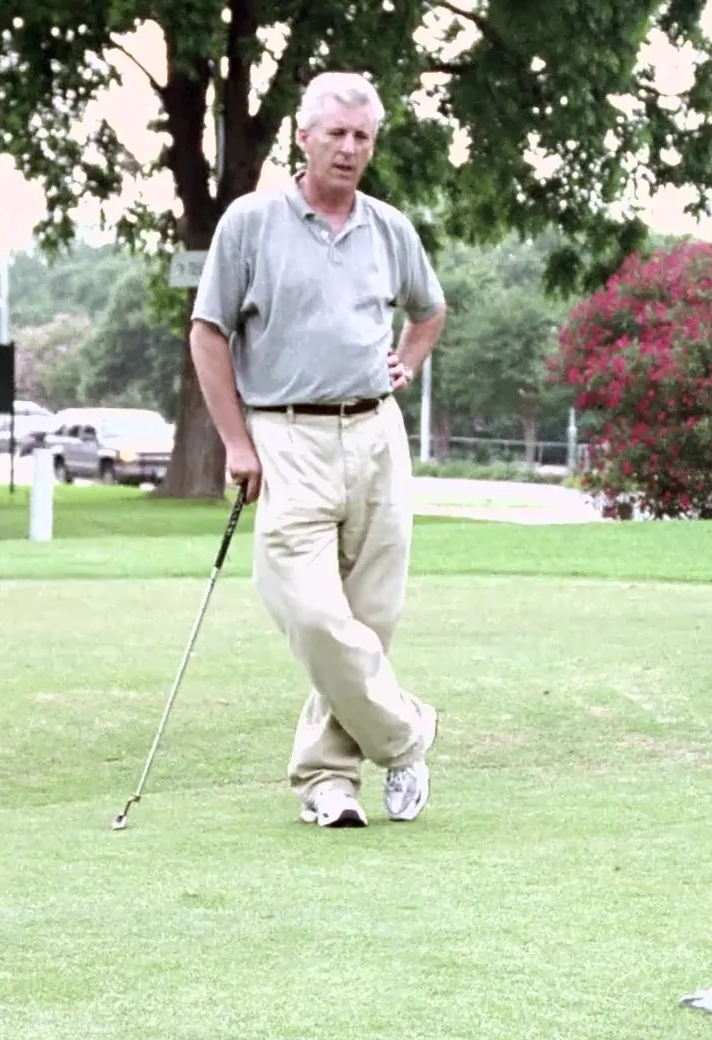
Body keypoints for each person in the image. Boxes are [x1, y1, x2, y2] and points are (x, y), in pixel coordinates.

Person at [186, 70, 447, 830]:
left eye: (363, 136)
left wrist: (411, 360)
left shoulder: (389, 227)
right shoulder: (250, 221)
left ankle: (329, 780)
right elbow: (209, 332)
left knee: (371, 617)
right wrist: (237, 443)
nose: (350, 148)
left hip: (374, 433)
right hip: (285, 433)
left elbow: (428, 311)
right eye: (335, 132)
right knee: (310, 613)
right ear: (302, 138)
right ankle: (407, 737)